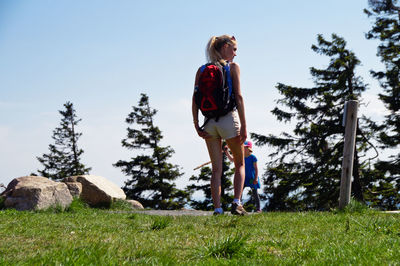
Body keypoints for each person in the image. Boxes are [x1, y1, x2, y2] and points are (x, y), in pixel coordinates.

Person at [192, 34, 247, 215]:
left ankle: (217, 209)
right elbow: (238, 97)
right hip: (228, 120)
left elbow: (195, 99)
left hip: (209, 123)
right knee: (239, 163)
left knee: (216, 169)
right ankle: (237, 202)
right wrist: (244, 126)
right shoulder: (232, 67)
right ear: (224, 47)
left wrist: (196, 124)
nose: (235, 54)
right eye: (234, 49)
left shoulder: (201, 69)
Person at [224, 140, 261, 213]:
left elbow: (256, 168)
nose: (243, 149)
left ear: (249, 148)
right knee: (239, 192)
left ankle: (258, 208)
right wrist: (226, 152)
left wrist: (256, 178)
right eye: (242, 147)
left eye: (245, 147)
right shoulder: (241, 157)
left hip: (252, 178)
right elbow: (232, 159)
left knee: (255, 193)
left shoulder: (253, 157)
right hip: (243, 178)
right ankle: (239, 206)